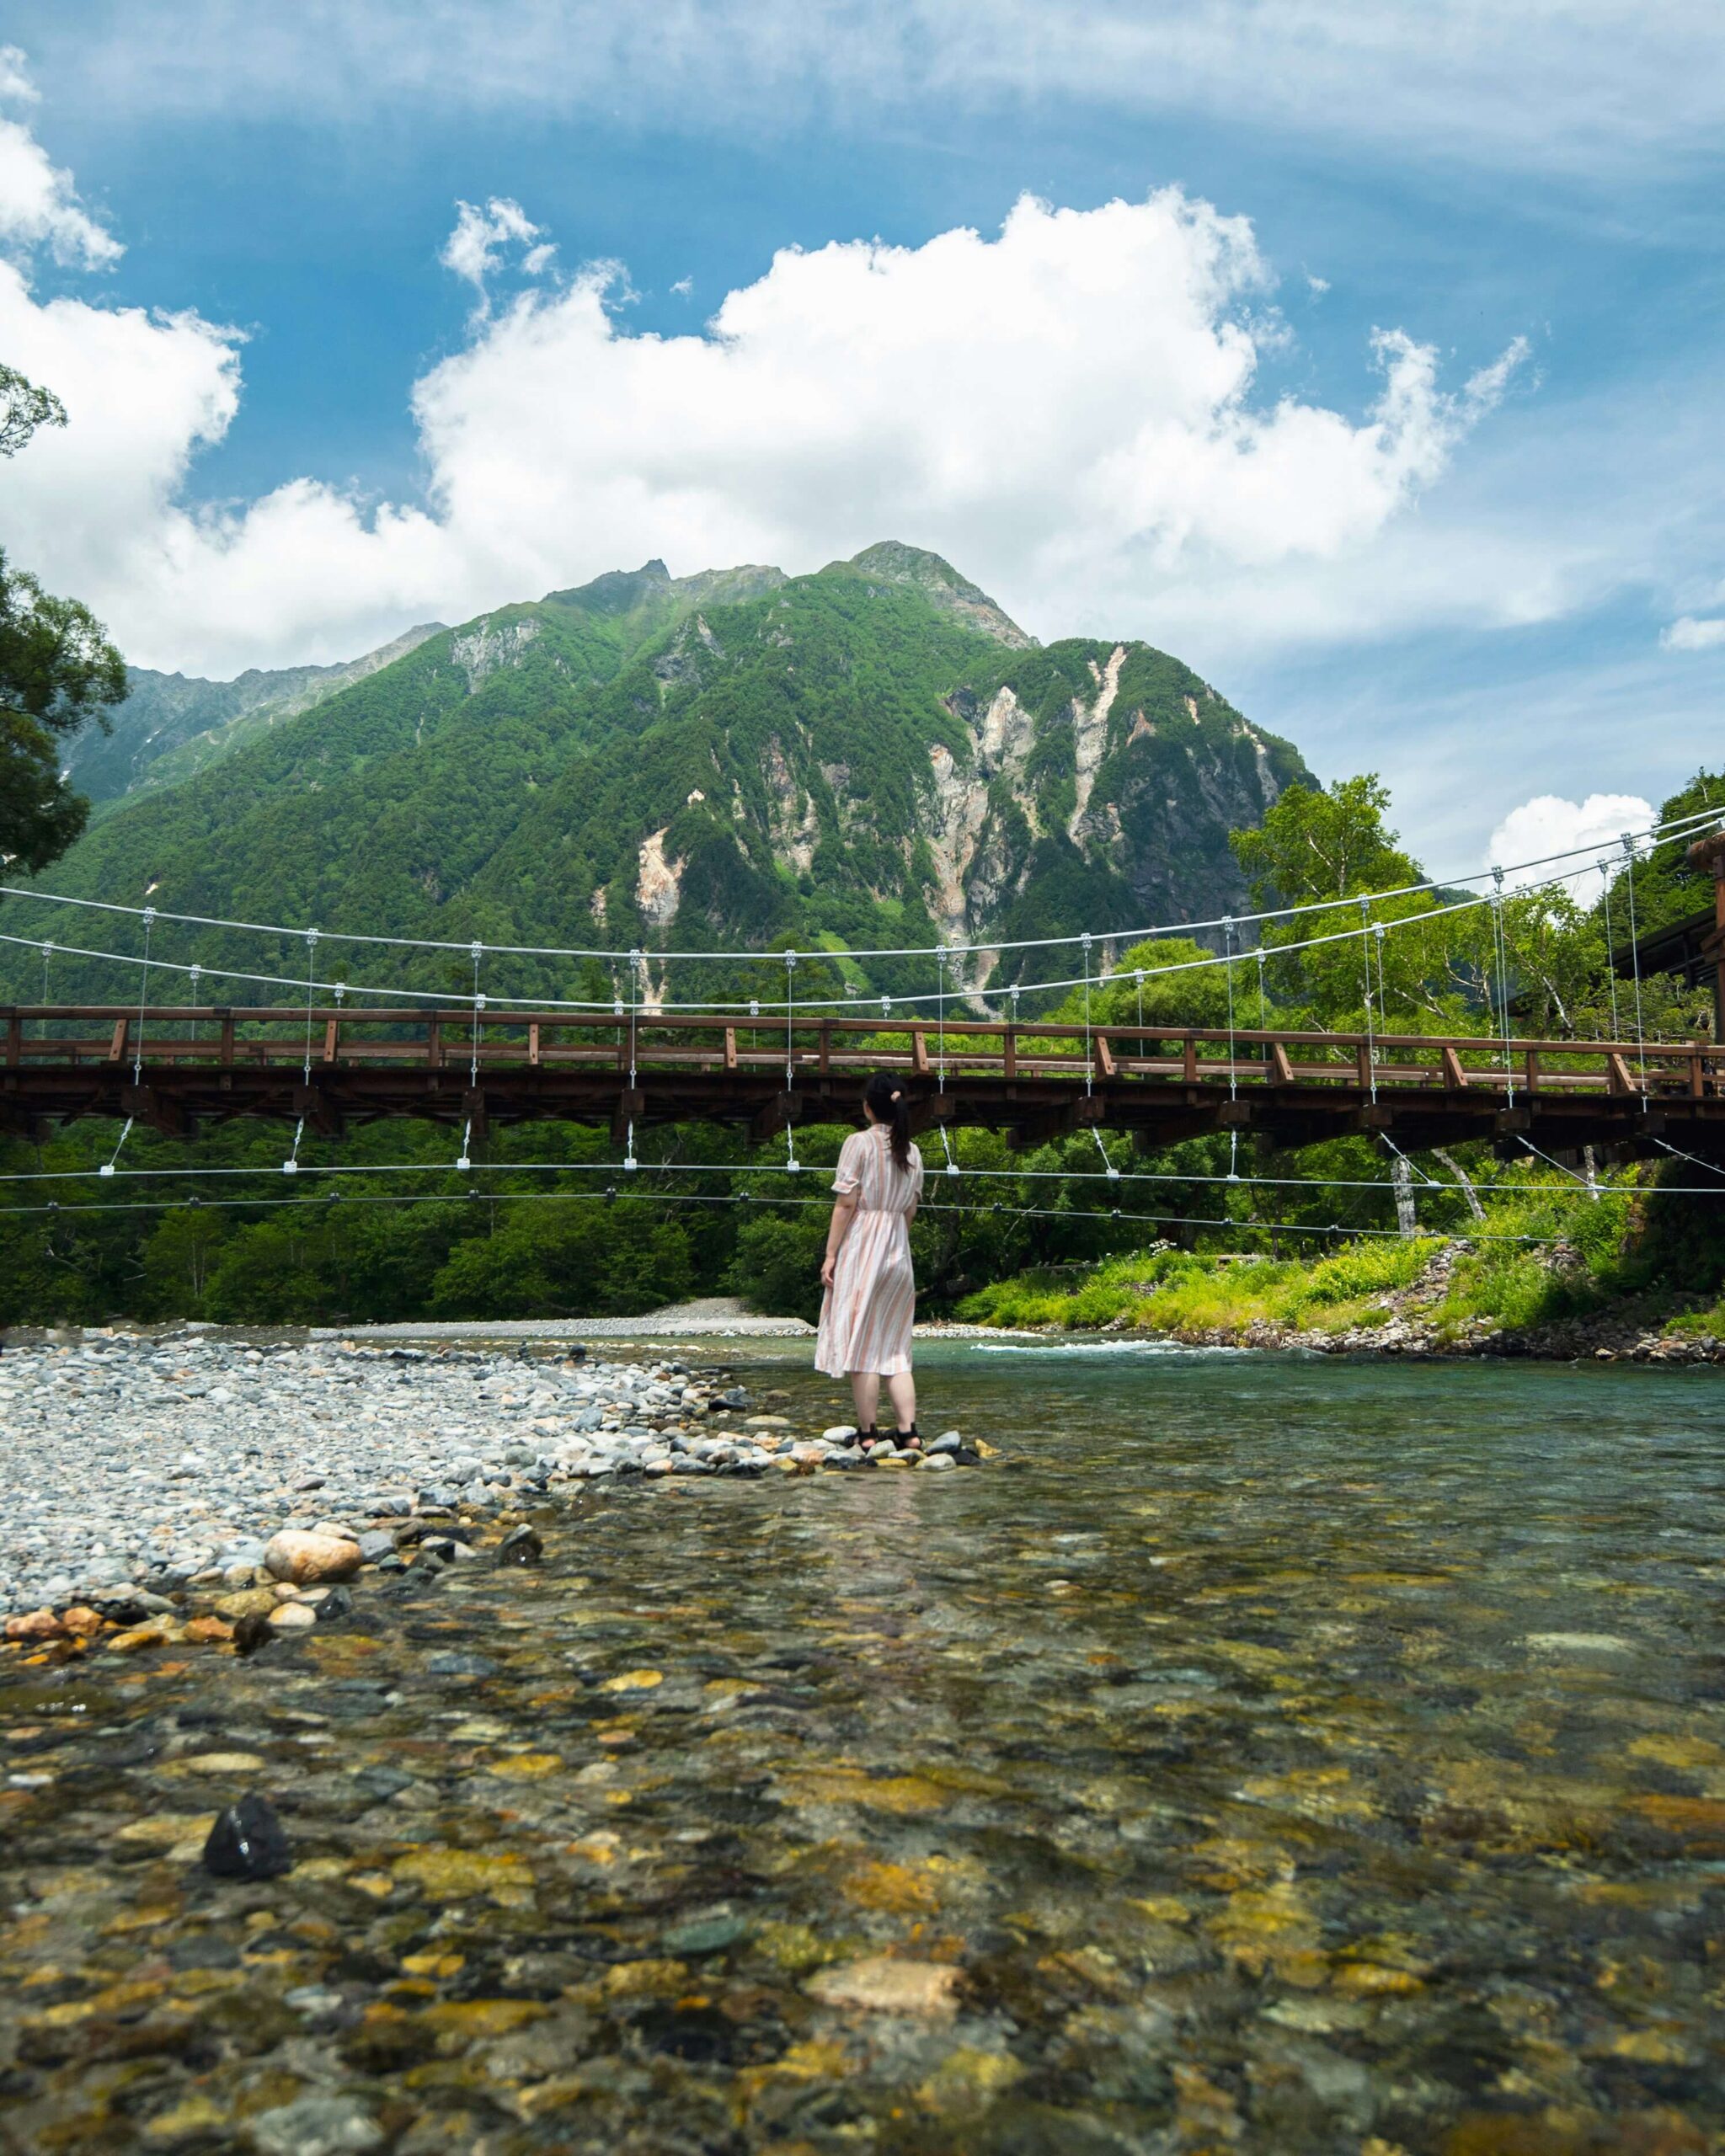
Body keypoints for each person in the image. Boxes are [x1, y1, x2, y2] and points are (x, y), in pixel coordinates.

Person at [816, 1070, 924, 1450]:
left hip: (864, 1245)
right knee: (896, 1347)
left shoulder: (858, 1143)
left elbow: (846, 1203)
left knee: (861, 1346)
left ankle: (867, 1435)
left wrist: (831, 1255)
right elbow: (910, 1209)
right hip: (898, 1247)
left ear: (867, 1108)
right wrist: (895, 1243)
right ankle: (909, 1432)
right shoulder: (912, 1151)